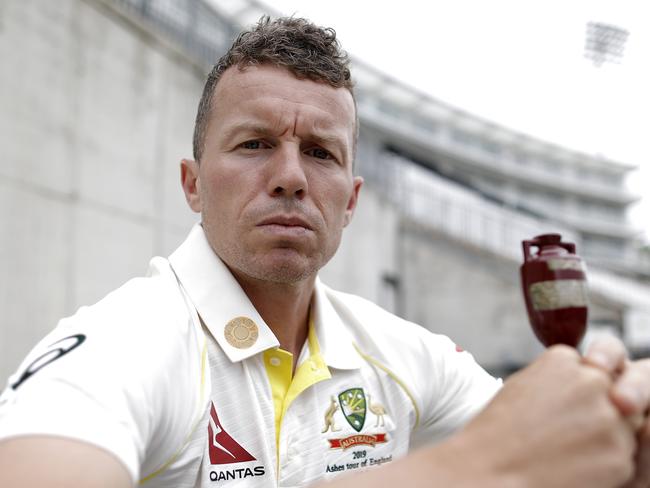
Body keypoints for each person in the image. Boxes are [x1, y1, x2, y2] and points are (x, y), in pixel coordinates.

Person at [0, 15, 649, 488]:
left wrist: (617, 414)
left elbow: (566, 449)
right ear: (193, 185)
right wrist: (478, 468)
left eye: (320, 152)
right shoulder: (119, 343)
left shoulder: (399, 353)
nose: (290, 176)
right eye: (254, 144)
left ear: (351, 200)